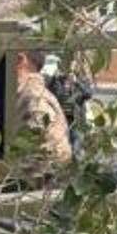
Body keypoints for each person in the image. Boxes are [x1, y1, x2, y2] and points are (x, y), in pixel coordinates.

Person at [12, 49, 72, 184]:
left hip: (37, 188)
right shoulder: (26, 94)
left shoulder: (33, 97)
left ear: (20, 59)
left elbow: (54, 155)